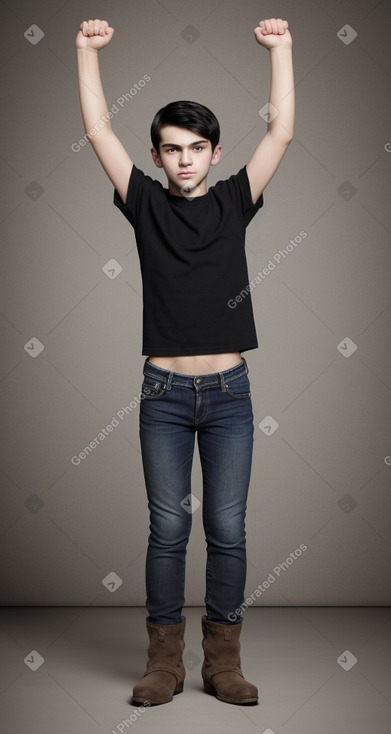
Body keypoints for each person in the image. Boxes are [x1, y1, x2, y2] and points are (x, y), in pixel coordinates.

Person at [76, 16, 294, 707]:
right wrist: (86, 53)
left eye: (196, 148)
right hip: (163, 393)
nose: (185, 161)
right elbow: (97, 133)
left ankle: (221, 663)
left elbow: (281, 131)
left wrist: (281, 49)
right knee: (168, 527)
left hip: (229, 395)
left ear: (214, 152)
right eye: (171, 150)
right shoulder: (143, 203)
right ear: (158, 156)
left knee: (226, 528)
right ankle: (163, 664)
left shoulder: (235, 199)